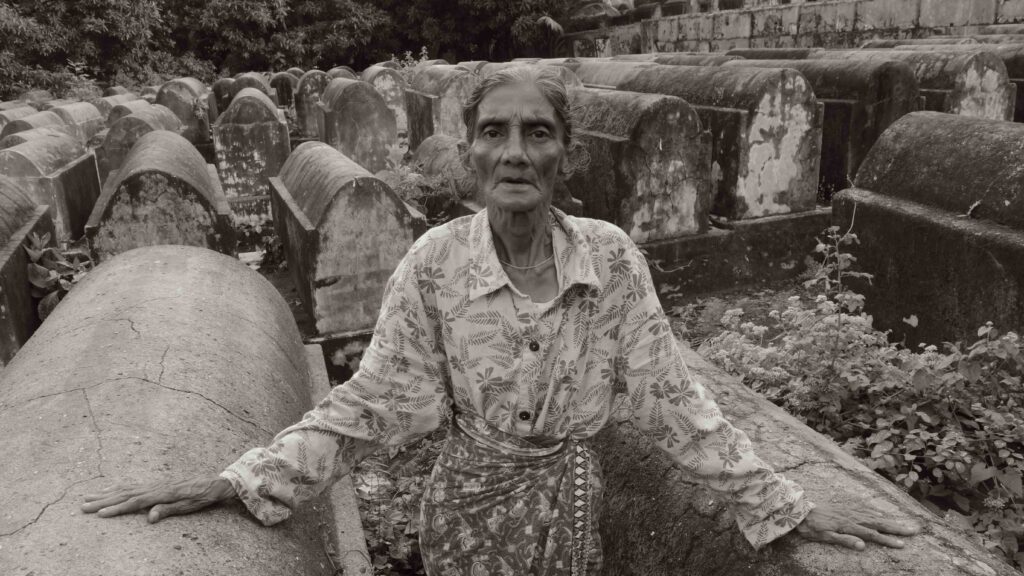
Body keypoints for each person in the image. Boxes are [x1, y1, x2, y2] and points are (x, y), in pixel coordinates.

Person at [82, 65, 919, 574]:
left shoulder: (614, 259)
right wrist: (237, 480)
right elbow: (370, 403)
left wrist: (786, 503)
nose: (516, 151)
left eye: (538, 132)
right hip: (467, 514)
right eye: (495, 133)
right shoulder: (436, 264)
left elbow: (675, 402)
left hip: (570, 506)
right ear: (468, 154)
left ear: (567, 152)